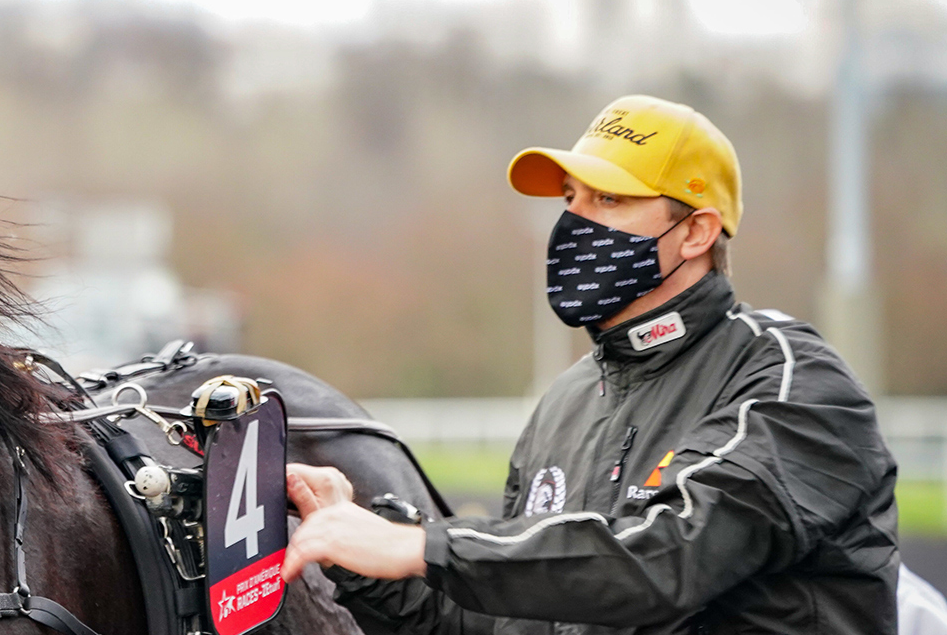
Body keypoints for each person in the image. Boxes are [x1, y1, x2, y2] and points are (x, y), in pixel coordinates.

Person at [284, 95, 900, 633]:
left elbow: (667, 556)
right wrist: (357, 550)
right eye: (571, 198)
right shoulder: (567, 402)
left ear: (695, 233)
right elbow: (504, 619)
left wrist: (419, 545)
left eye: (609, 198)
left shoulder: (790, 380)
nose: (574, 222)